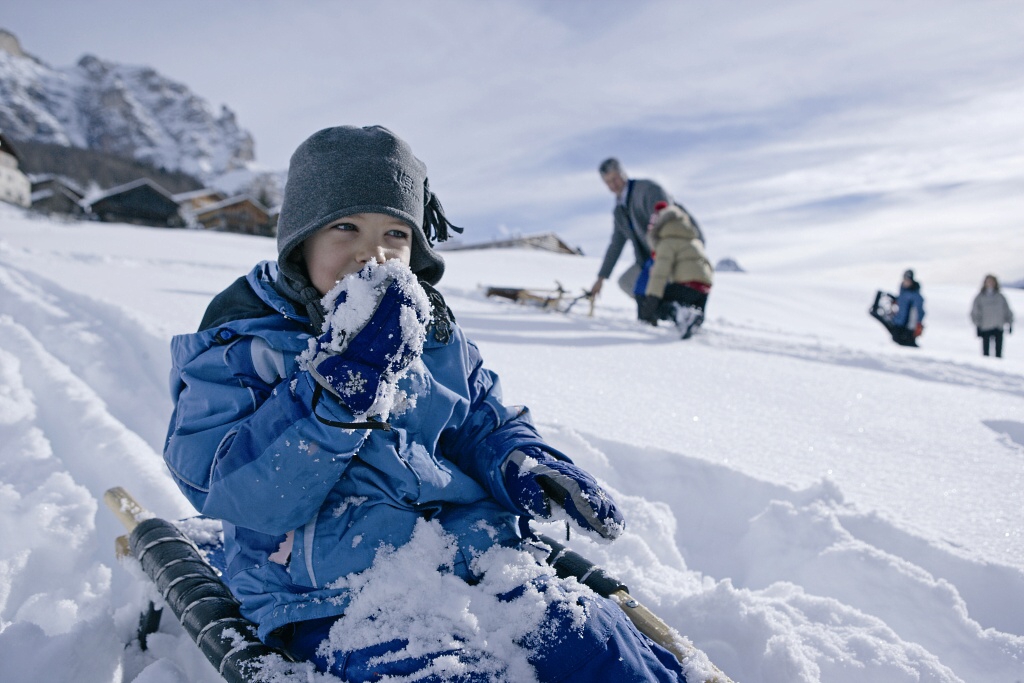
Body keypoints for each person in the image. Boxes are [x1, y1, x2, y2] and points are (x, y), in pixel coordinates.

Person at [163, 126, 686, 682]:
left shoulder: (434, 337)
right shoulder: (248, 344)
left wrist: (523, 464)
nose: (374, 252)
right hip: (338, 595)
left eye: (396, 232)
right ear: (300, 242)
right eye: (345, 226)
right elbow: (225, 485)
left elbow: (481, 422)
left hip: (482, 559)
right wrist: (332, 400)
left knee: (601, 649)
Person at [590, 158, 703, 318]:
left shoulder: (648, 190)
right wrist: (601, 278)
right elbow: (615, 245)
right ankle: (668, 311)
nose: (613, 185)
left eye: (614, 178)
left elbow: (670, 221)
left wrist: (662, 258)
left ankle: (680, 312)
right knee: (627, 282)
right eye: (607, 182)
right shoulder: (619, 211)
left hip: (673, 254)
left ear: (623, 173)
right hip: (648, 259)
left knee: (653, 287)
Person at [638, 201, 713, 338]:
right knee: (692, 314)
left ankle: (683, 315)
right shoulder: (693, 239)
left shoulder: (667, 241)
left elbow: (660, 274)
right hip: (705, 287)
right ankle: (691, 319)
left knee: (660, 304)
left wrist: (651, 301)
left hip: (686, 284)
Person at [871, 269, 925, 347]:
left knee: (903, 343)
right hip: (898, 322)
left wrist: (914, 327)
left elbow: (917, 313)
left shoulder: (915, 296)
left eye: (908, 280)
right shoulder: (903, 293)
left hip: (906, 328)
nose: (906, 282)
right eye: (905, 279)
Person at [971, 274, 1014, 357]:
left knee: (998, 353)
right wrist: (977, 325)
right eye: (988, 281)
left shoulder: (1000, 297)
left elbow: (1007, 311)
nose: (990, 283)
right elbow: (975, 312)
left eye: (992, 281)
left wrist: (1010, 323)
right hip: (985, 327)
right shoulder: (980, 297)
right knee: (986, 353)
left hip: (998, 326)